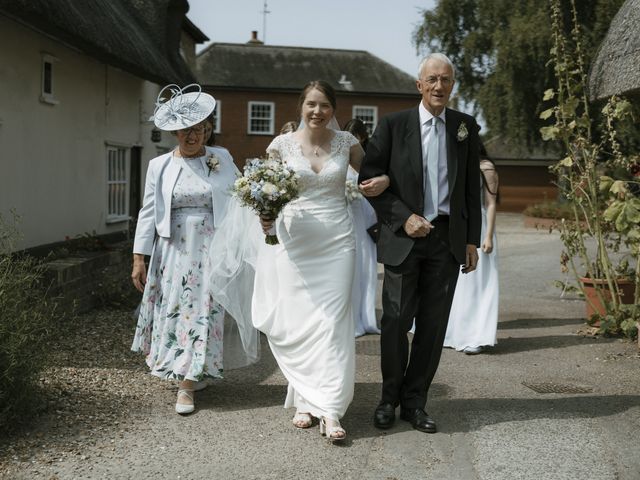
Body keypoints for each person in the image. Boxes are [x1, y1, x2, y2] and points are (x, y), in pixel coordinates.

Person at [359, 53, 482, 434]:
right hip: (403, 239)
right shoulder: (394, 126)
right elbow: (369, 181)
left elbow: (468, 190)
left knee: (433, 325)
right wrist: (402, 216)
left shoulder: (465, 127)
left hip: (447, 240)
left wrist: (472, 240)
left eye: (446, 80)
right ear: (419, 85)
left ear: (453, 85)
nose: (439, 86)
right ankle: (388, 399)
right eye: (432, 79)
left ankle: (415, 403)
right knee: (395, 321)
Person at [131, 84, 257, 415]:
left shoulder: (222, 158)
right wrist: (138, 257)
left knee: (206, 309)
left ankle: (190, 376)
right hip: (173, 251)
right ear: (174, 132)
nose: (192, 136)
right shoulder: (159, 166)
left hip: (211, 247)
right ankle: (186, 376)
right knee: (179, 307)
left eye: (198, 129)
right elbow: (147, 212)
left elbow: (242, 194)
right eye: (185, 130)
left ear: (207, 129)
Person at [253, 80, 364, 443]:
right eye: (311, 104)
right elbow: (264, 191)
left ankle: (330, 408)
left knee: (332, 323)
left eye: (325, 105)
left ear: (334, 110)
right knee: (299, 322)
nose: (318, 111)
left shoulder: (349, 144)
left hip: (338, 242)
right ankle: (304, 398)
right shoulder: (281, 146)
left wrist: (382, 183)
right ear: (301, 106)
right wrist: (265, 216)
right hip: (294, 244)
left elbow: (375, 178)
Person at [445, 145, 499, 354]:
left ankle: (478, 336)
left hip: (481, 227)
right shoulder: (458, 165)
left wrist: (487, 236)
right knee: (460, 284)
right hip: (460, 227)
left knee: (480, 284)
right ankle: (456, 333)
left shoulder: (486, 167)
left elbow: (491, 203)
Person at [343, 119, 385, 336]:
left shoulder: (368, 160)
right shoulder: (339, 159)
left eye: (356, 137)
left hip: (365, 214)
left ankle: (367, 318)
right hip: (346, 215)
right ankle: (350, 317)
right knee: (350, 266)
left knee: (367, 267)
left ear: (362, 137)